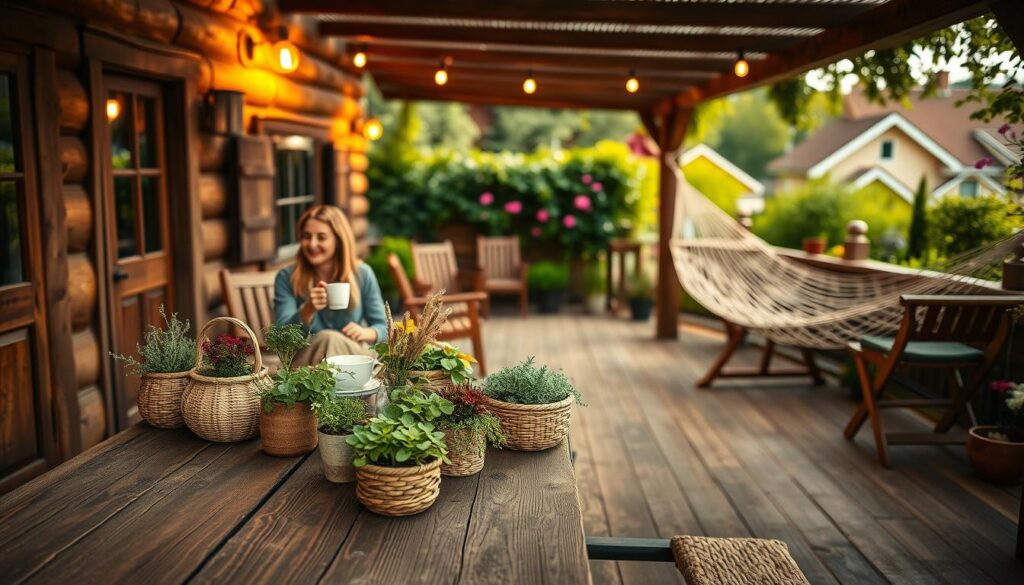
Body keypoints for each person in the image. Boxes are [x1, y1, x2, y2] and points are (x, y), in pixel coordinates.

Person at [274, 205, 387, 366]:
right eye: (306, 236)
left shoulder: (361, 273)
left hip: (349, 356)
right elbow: (280, 339)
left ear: (338, 240)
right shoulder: (287, 277)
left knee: (359, 348)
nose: (312, 244)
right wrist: (307, 310)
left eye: (321, 237)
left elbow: (385, 327)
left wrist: (366, 332)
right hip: (306, 369)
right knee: (329, 338)